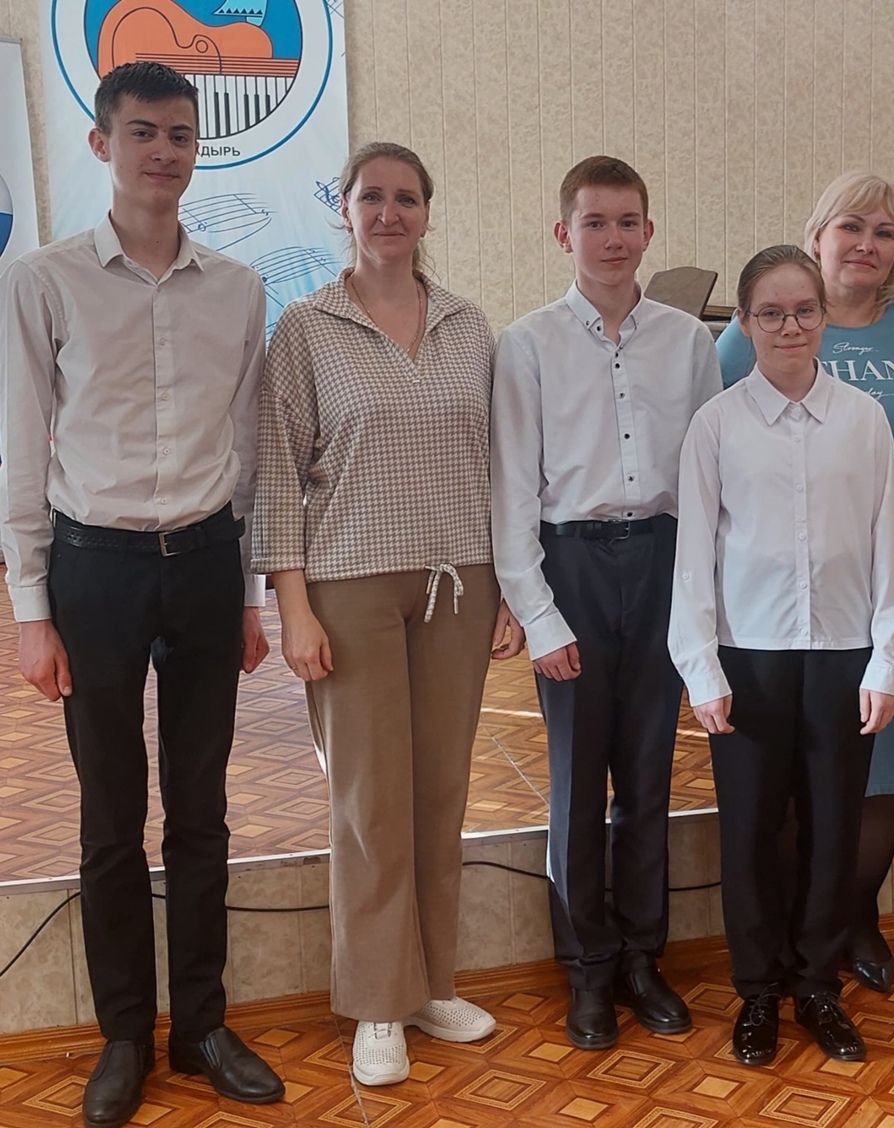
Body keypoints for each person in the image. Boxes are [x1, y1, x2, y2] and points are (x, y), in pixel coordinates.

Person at [0, 62, 284, 1127]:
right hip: (96, 571)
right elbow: (20, 453)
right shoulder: (42, 282)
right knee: (110, 816)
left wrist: (249, 593)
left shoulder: (239, 288)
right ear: (101, 143)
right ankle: (125, 1033)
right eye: (142, 133)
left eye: (180, 134)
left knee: (202, 810)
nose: (163, 151)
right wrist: (32, 612)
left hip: (205, 564)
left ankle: (201, 1024)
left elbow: (248, 452)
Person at [253, 142, 525, 1085]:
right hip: (350, 586)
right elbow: (276, 473)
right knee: (370, 802)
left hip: (459, 583)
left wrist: (508, 591)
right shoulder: (306, 327)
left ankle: (430, 985)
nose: (389, 212)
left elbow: (499, 465)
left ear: (427, 211)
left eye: (406, 197)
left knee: (441, 793)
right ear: (344, 208)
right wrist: (293, 608)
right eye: (371, 196)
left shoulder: (467, 325)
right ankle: (377, 999)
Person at [491, 155, 722, 1050]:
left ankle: (641, 958)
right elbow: (512, 491)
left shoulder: (689, 343)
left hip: (663, 561)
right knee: (578, 785)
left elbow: (707, 482)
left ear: (649, 232)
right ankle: (586, 967)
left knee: (651, 779)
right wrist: (539, 613)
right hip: (573, 566)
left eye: (628, 222)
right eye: (595, 222)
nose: (613, 239)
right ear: (564, 234)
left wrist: (699, 607)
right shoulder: (528, 345)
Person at [672, 244, 894, 1066]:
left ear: (824, 317)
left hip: (845, 654)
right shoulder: (715, 425)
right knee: (749, 832)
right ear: (743, 322)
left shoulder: (863, 419)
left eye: (804, 310)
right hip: (748, 657)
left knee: (832, 827)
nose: (789, 326)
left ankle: (817, 986)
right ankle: (758, 992)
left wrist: (887, 659)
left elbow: (888, 544)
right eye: (770, 313)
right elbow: (694, 559)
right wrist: (701, 670)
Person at [716, 173, 894, 993]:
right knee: (795, 763)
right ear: (817, 235)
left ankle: (856, 913)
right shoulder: (747, 336)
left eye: (885, 232)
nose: (867, 245)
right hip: (779, 586)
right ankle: (794, 928)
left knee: (889, 750)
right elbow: (718, 447)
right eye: (851, 226)